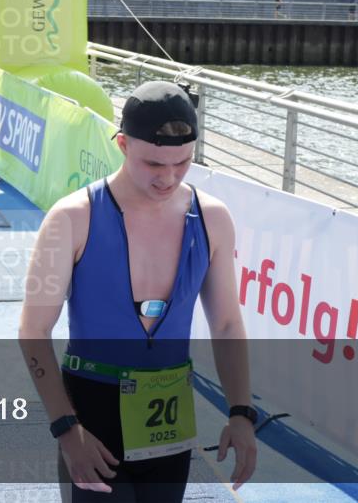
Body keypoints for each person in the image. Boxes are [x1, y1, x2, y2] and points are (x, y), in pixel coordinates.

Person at [19, 81, 256, 502]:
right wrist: (67, 430)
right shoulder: (73, 218)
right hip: (92, 414)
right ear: (123, 144)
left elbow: (225, 322)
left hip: (169, 419)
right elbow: (34, 331)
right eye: (153, 164)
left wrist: (240, 412)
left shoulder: (213, 218)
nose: (168, 178)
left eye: (182, 163)